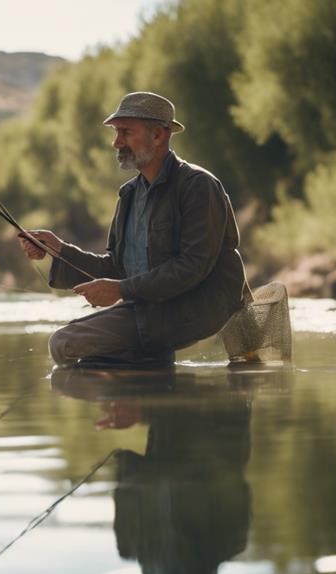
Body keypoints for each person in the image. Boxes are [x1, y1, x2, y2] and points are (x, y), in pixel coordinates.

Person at [18, 91, 248, 368]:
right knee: (111, 355)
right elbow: (117, 267)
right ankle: (147, 401)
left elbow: (193, 266)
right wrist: (58, 250)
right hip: (151, 307)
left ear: (159, 135)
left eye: (125, 132)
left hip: (198, 307)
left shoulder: (198, 186)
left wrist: (122, 290)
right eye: (116, 133)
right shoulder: (129, 194)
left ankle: (138, 397)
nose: (116, 143)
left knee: (64, 344)